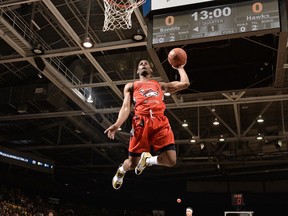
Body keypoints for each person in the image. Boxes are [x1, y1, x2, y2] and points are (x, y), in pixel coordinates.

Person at [104, 59, 190, 189]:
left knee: (171, 161)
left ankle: (148, 160)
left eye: (146, 63)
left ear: (151, 70)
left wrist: (180, 68)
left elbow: (185, 83)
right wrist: (117, 125)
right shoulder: (131, 86)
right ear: (138, 71)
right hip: (140, 122)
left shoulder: (159, 85)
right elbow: (126, 108)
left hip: (159, 121)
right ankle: (121, 170)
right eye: (140, 64)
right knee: (132, 165)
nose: (143, 64)